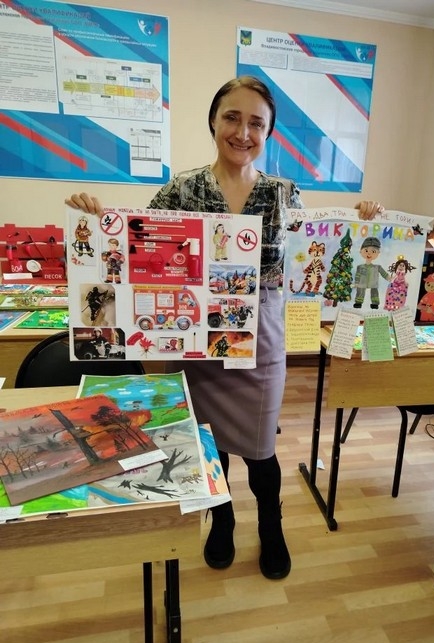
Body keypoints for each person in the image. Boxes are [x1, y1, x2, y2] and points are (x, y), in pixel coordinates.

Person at [66, 75, 383, 580]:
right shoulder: (182, 188)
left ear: (269, 132)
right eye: (232, 118)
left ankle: (272, 526)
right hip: (195, 341)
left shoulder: (284, 193)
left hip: (262, 340)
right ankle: (223, 519)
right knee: (208, 440)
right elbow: (133, 245)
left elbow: (313, 258)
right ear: (213, 122)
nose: (243, 132)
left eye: (256, 123)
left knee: (261, 450)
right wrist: (96, 217)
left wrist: (365, 222)